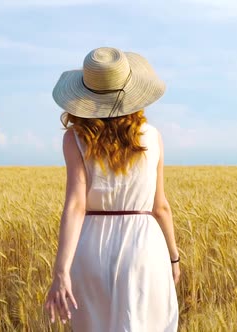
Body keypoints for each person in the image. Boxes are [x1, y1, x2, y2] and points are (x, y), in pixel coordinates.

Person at [44, 47, 180, 331]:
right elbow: (161, 207)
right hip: (145, 248)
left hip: (91, 249)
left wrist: (61, 271)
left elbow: (75, 206)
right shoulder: (153, 137)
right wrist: (173, 257)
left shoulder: (75, 138)